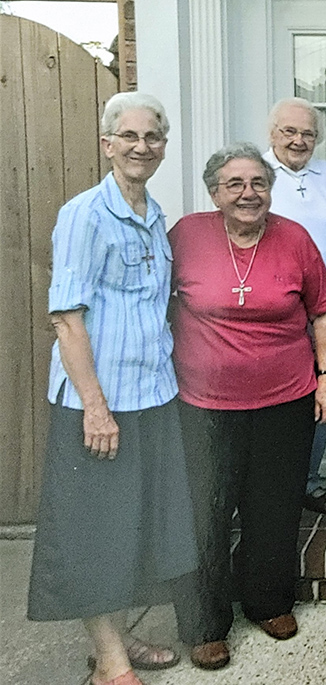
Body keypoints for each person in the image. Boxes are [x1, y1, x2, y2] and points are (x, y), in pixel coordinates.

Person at [27, 92, 196, 685]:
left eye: (152, 138)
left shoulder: (152, 214)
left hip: (151, 395)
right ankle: (110, 662)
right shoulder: (85, 214)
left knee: (135, 527)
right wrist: (94, 408)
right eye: (129, 137)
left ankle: (116, 638)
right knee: (97, 531)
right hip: (99, 404)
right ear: (107, 144)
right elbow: (66, 318)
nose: (141, 147)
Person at [169, 143, 326, 670]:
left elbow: (323, 312)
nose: (248, 193)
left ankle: (268, 602)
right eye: (235, 184)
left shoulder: (294, 238)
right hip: (203, 403)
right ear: (214, 192)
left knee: (274, 505)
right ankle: (205, 624)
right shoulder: (186, 235)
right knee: (206, 511)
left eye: (258, 183)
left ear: (271, 188)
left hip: (285, 398)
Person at [263, 97, 326, 515]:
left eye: (308, 133)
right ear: (272, 133)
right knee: (276, 392)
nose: (298, 140)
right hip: (276, 300)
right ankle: (270, 484)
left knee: (323, 387)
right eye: (289, 131)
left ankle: (308, 481)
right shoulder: (256, 173)